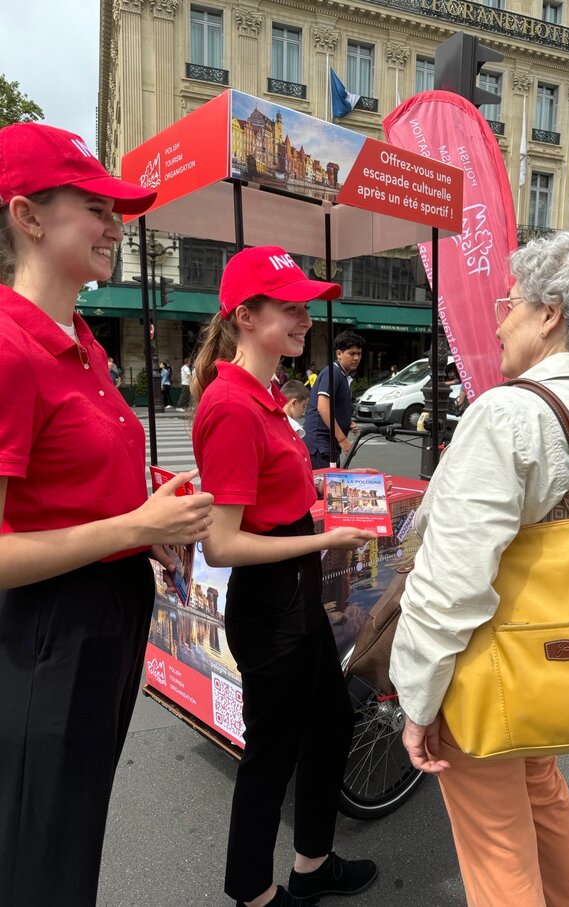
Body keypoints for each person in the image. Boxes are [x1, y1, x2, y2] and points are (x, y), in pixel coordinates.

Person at [390, 229, 569, 907]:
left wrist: (418, 697)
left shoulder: (506, 413)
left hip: (487, 659)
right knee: (544, 795)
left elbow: (454, 577)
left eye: (511, 301)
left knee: (496, 843)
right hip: (554, 651)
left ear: (550, 314)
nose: (499, 317)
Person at [0, 121, 215, 907]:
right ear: (28, 216)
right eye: (95, 206)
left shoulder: (83, 338)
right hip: (49, 627)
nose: (115, 225)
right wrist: (139, 528)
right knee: (41, 849)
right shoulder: (8, 345)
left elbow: (74, 486)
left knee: (74, 825)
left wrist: (149, 517)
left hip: (111, 609)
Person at [191, 245, 378, 907]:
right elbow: (222, 542)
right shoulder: (232, 405)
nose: (305, 320)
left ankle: (312, 863)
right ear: (245, 315)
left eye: (306, 307)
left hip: (296, 595)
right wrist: (328, 535)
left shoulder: (269, 395)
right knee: (271, 752)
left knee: (330, 726)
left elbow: (280, 502)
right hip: (270, 608)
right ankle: (252, 892)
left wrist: (328, 511)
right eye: (290, 307)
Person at [303, 330, 365, 467]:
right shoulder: (334, 372)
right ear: (339, 354)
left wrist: (347, 421)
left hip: (327, 446)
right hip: (320, 446)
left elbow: (334, 407)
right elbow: (323, 406)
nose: (356, 358)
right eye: (352, 353)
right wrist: (343, 439)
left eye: (359, 354)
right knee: (323, 486)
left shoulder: (341, 374)